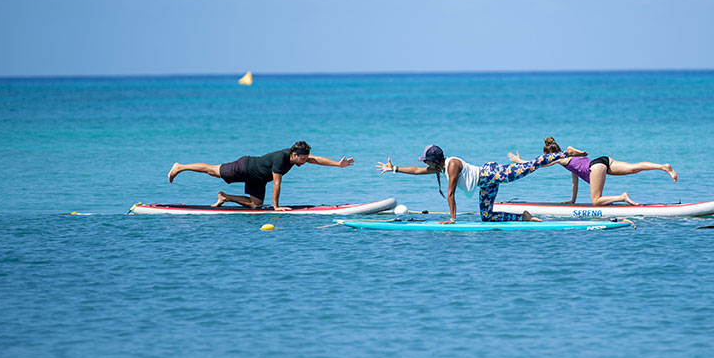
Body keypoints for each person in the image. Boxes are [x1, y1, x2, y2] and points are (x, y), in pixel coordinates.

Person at [375, 144, 587, 224]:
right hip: (485, 183)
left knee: (530, 166)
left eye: (427, 159)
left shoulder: (452, 165)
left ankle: (565, 153)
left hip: (491, 173)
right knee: (487, 217)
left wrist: (452, 218)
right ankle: (524, 217)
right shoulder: (441, 166)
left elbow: (450, 194)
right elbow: (418, 170)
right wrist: (394, 169)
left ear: (435, 159)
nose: (425, 163)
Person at [167, 141, 355, 210]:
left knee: (255, 205)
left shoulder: (298, 158)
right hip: (245, 167)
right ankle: (180, 167)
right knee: (212, 170)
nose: (306, 161)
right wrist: (276, 207)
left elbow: (317, 159)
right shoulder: (281, 159)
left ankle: (224, 197)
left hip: (257, 178)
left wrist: (339, 165)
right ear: (294, 155)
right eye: (303, 158)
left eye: (306, 158)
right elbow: (276, 184)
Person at [508, 137, 677, 206]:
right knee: (634, 167)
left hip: (595, 167)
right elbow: (575, 179)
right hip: (603, 161)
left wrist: (519, 161)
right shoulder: (568, 162)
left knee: (596, 201)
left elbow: (537, 164)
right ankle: (663, 167)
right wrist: (572, 200)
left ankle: (622, 197)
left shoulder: (559, 158)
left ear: (548, 154)